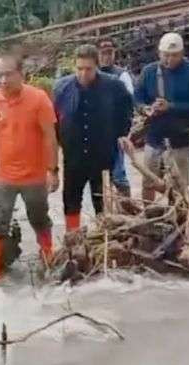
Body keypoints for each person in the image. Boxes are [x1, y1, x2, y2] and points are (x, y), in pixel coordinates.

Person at [0, 54, 59, 283]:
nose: (2, 80)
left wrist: (53, 170)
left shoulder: (39, 99)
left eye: (7, 74)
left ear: (21, 74)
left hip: (35, 175)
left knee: (39, 218)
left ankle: (48, 259)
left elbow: (50, 138)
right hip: (3, 176)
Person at [53, 44, 133, 232]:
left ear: (96, 66)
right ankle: (73, 240)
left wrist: (121, 134)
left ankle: (105, 240)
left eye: (88, 69)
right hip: (73, 157)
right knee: (71, 200)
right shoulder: (62, 88)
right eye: (79, 68)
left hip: (103, 156)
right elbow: (54, 120)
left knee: (103, 201)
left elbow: (126, 113)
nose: (83, 73)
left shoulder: (115, 86)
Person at [134, 32, 189, 201]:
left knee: (180, 186)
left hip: (180, 139)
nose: (169, 59)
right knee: (148, 182)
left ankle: (179, 219)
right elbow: (137, 96)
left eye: (174, 56)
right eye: (166, 55)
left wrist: (171, 107)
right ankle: (149, 215)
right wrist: (145, 108)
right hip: (154, 137)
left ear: (182, 54)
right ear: (159, 53)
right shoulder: (149, 72)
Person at [97, 38, 134, 198]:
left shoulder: (121, 75)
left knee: (118, 176)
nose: (106, 56)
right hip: (95, 134)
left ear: (114, 53)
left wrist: (124, 132)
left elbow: (129, 104)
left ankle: (128, 210)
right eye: (103, 53)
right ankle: (103, 215)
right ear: (97, 54)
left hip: (115, 132)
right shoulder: (91, 73)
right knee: (97, 179)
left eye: (109, 53)